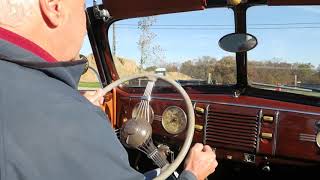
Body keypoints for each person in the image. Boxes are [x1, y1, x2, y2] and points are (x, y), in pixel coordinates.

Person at [0, 0, 218, 180]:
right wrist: (192, 174)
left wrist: (74, 104)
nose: (85, 25)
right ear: (53, 6)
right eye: (80, 7)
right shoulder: (72, 121)